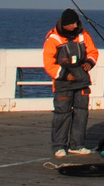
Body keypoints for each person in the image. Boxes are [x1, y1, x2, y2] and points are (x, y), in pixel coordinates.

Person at [42, 9, 98, 157]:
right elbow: (49, 64)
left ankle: (77, 145)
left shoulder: (83, 35)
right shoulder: (53, 39)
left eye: (76, 22)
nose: (75, 26)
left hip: (82, 82)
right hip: (63, 84)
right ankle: (59, 146)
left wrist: (89, 63)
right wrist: (66, 75)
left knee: (81, 113)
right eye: (72, 23)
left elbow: (93, 52)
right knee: (62, 114)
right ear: (64, 24)